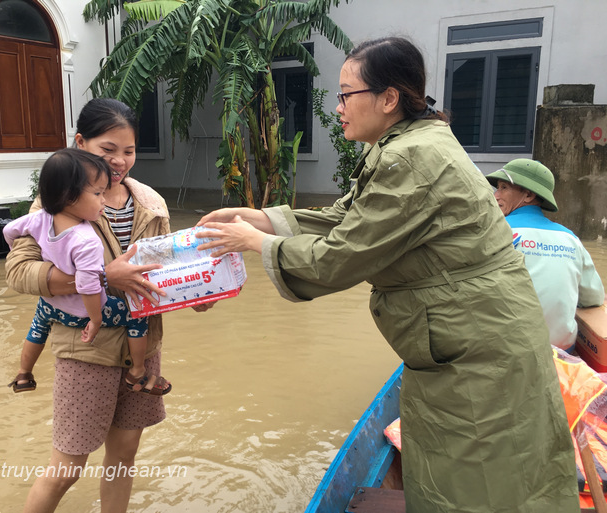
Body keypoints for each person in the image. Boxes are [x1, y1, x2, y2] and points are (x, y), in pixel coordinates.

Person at [196, 37, 579, 512]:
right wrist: (263, 218)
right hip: (469, 337)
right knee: (474, 470)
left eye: (345, 94)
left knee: (484, 481)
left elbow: (341, 257)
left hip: (476, 349)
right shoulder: (410, 142)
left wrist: (256, 244)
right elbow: (353, 215)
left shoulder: (409, 158)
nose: (337, 108)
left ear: (389, 98)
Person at [5, 98, 189, 513]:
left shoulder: (152, 204)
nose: (120, 162)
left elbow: (161, 271)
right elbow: (18, 272)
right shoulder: (57, 202)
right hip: (85, 348)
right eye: (108, 150)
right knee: (67, 467)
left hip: (142, 345)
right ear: (81, 142)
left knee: (123, 458)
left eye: (129, 151)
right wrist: (104, 277)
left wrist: (193, 292)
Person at [4, 148, 170, 397]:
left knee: (38, 326)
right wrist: (95, 320)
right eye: (97, 193)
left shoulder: (41, 218)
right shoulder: (86, 239)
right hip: (81, 312)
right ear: (69, 196)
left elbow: (9, 231)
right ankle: (137, 371)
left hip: (51, 303)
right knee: (137, 313)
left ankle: (24, 374)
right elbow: (90, 286)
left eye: (129, 150)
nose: (103, 199)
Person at [486, 158, 605, 351]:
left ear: (528, 195)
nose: (495, 195)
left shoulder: (492, 231)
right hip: (562, 349)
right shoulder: (570, 239)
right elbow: (594, 297)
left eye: (504, 188)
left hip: (505, 351)